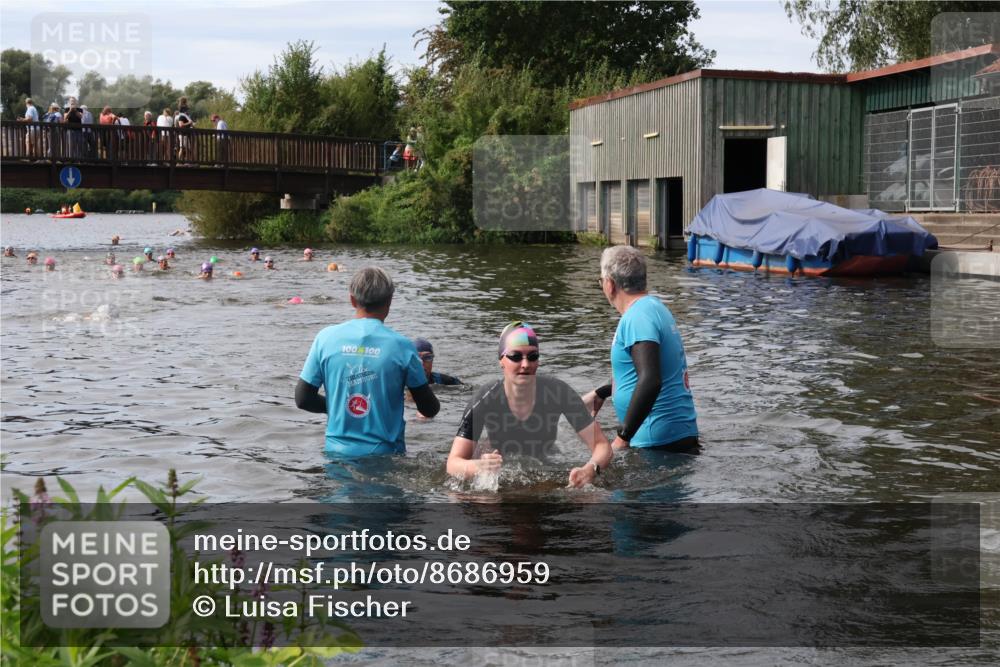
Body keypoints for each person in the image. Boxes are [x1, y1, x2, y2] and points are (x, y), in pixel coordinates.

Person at [446, 322, 611, 488]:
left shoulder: (558, 392)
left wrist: (591, 469)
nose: (525, 364)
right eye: (516, 356)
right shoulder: (485, 398)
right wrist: (478, 466)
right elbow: (453, 463)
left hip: (543, 457)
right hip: (498, 460)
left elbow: (602, 445)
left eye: (532, 356)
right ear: (501, 360)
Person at [295, 267, 439, 456]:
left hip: (336, 454)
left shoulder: (325, 338)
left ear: (352, 300)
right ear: (389, 302)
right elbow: (429, 409)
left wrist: (342, 406)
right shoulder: (403, 347)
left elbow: (303, 399)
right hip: (386, 456)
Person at [584, 245, 699, 453]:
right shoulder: (654, 308)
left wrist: (622, 438)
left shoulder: (637, 317)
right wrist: (601, 393)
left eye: (601, 281)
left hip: (656, 442)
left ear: (610, 284)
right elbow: (646, 371)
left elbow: (650, 379)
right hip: (672, 436)